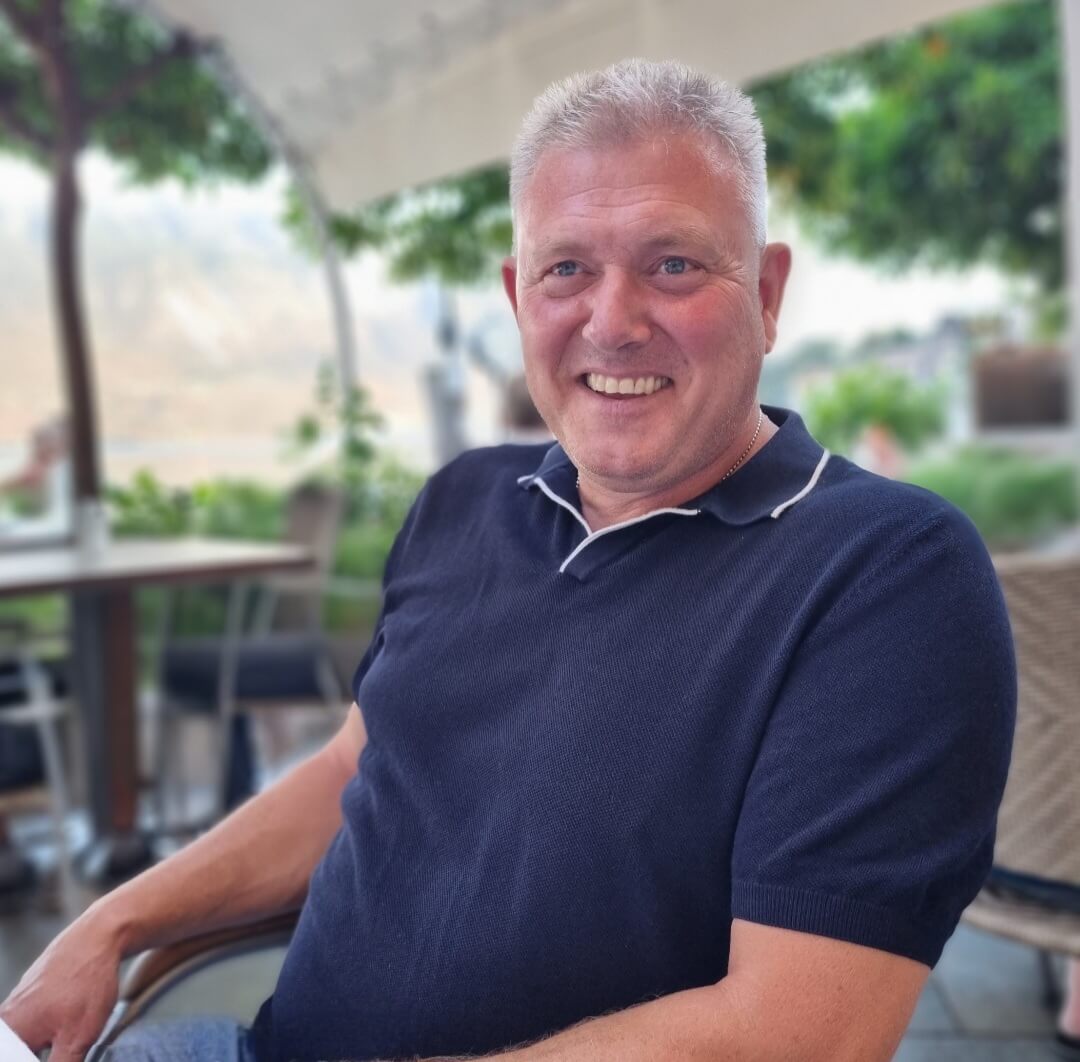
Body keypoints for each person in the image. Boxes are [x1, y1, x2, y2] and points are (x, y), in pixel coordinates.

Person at [0, 59, 1015, 1062]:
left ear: (767, 288)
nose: (612, 322)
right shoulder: (464, 502)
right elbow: (356, 767)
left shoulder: (886, 573)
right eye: (566, 269)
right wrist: (110, 924)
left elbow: (802, 1032)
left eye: (673, 264)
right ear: (517, 294)